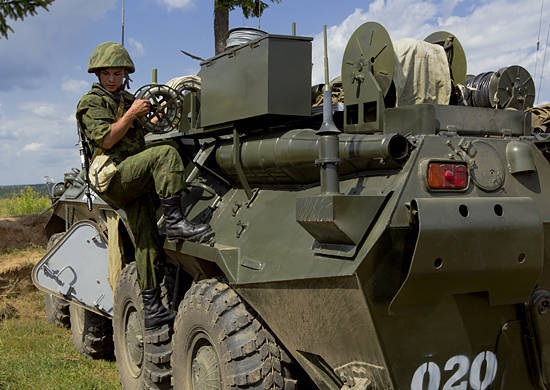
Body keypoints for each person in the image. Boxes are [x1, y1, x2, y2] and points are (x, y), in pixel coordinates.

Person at [76, 41, 210, 331]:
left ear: (125, 74)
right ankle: (174, 221)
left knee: (148, 241)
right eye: (107, 74)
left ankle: (152, 310)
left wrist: (156, 116)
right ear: (97, 74)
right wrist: (132, 113)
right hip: (113, 178)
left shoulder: (126, 98)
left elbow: (147, 128)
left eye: (118, 73)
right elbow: (108, 139)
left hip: (132, 176)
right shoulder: (92, 103)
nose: (113, 79)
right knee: (165, 154)